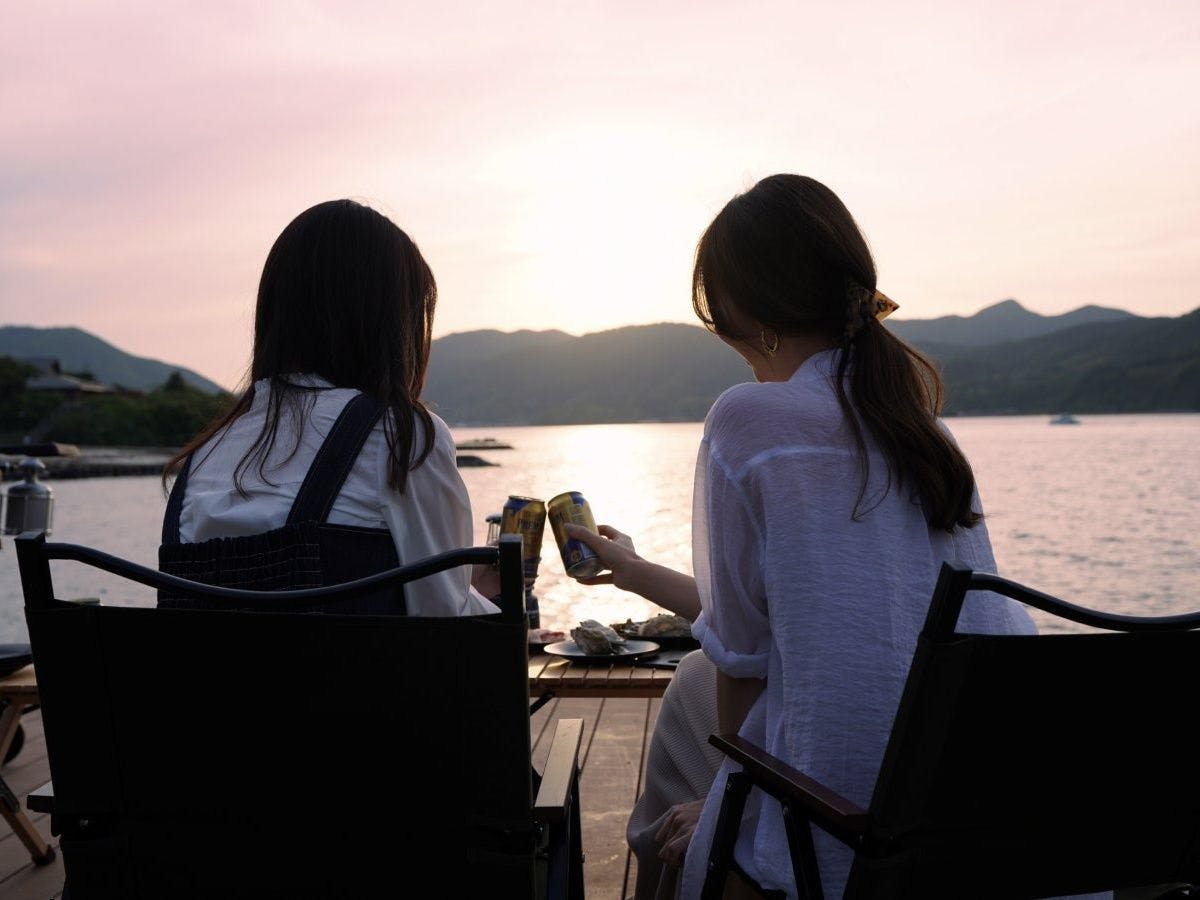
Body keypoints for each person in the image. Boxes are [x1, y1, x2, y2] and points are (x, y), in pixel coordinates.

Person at [565, 174, 1047, 898]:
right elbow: (788, 624)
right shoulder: (927, 437)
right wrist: (631, 569)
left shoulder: (750, 420)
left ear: (745, 314)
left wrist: (728, 812)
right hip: (985, 820)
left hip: (848, 838)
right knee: (694, 680)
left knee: (686, 751)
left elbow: (745, 662)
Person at [160, 199, 499, 614]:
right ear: (391, 325)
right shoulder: (398, 434)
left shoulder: (204, 455)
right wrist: (485, 595)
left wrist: (464, 589)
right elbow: (445, 622)